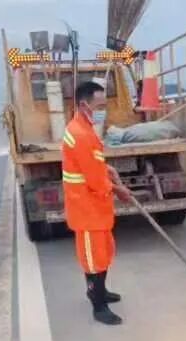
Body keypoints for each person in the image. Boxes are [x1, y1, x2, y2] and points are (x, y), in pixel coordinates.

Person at [62, 81, 132, 326]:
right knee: (93, 260)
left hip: (96, 207)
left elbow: (92, 162)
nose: (103, 110)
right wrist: (119, 190)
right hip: (86, 208)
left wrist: (107, 168)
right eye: (100, 106)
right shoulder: (80, 134)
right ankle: (98, 305)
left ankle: (101, 291)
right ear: (84, 105)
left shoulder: (85, 127)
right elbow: (93, 179)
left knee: (103, 253)